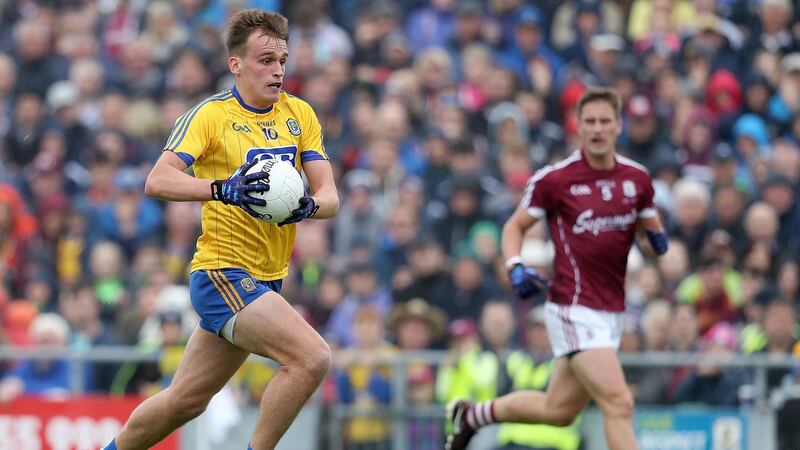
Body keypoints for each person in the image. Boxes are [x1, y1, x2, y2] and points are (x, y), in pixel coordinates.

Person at [103, 9, 339, 450]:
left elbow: (330, 197)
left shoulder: (299, 113)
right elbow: (158, 179)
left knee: (185, 400)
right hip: (222, 273)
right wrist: (221, 189)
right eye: (266, 60)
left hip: (265, 279)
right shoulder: (210, 116)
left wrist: (305, 207)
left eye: (282, 59)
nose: (278, 70)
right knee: (311, 358)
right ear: (236, 64)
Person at [446, 87, 669, 450]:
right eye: (590, 121)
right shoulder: (555, 179)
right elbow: (514, 226)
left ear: (618, 126)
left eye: (605, 121)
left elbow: (650, 229)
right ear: (577, 127)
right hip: (573, 306)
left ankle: (472, 416)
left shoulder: (638, 179)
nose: (597, 129)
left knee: (558, 409)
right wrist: (515, 265)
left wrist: (656, 241)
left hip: (612, 310)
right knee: (619, 402)